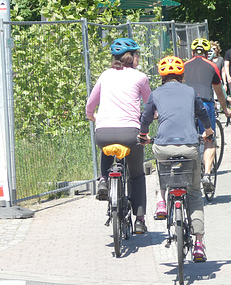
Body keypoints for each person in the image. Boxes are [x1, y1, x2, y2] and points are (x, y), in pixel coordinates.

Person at [138, 56, 213, 262]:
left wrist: (143, 136)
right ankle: (198, 244)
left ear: (161, 76)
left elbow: (146, 118)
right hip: (189, 147)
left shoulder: (155, 93)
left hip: (163, 147)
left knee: (162, 167)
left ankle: (161, 201)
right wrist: (208, 131)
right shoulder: (190, 91)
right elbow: (202, 113)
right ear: (182, 75)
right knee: (195, 193)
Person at [85, 37, 152, 234]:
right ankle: (139, 219)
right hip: (130, 134)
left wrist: (92, 116)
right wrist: (154, 116)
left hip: (103, 133)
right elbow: (149, 106)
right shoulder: (140, 77)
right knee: (137, 175)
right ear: (132, 57)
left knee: (107, 146)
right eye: (137, 55)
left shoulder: (105, 75)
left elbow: (90, 104)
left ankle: (104, 179)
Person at [184, 38, 231, 190]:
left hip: (187, 105)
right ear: (207, 53)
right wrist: (225, 109)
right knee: (209, 139)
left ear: (192, 53)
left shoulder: (184, 66)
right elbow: (219, 91)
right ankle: (207, 175)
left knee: (188, 138)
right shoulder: (212, 66)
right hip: (205, 104)